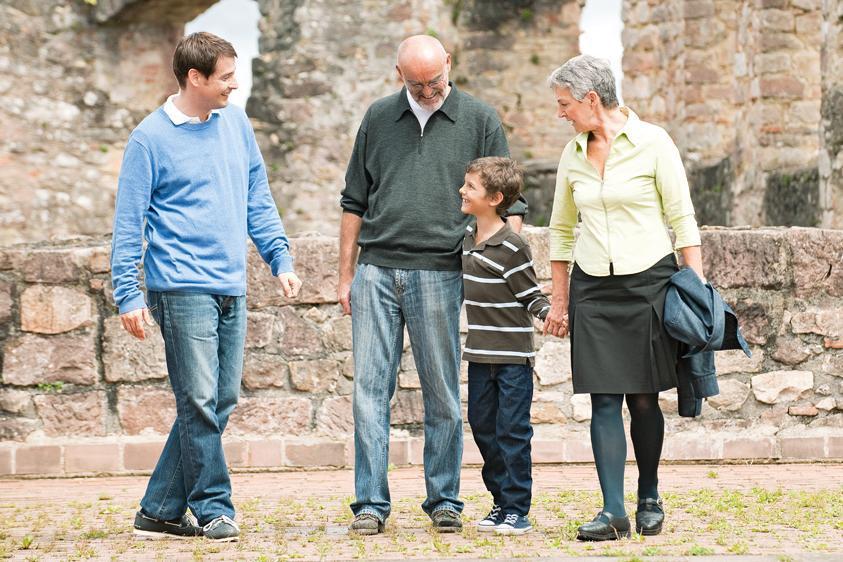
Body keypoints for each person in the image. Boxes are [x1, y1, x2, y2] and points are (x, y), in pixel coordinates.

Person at [111, 32, 302, 543]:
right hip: (179, 287)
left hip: (230, 285)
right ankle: (215, 507)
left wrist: (278, 256)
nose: (235, 86)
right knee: (196, 400)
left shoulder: (235, 123)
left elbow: (256, 194)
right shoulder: (148, 139)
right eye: (226, 77)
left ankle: (158, 510)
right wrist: (128, 294)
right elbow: (130, 224)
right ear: (195, 77)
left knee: (218, 400)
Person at [338, 34, 526, 535]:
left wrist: (498, 267)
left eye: (435, 80)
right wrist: (345, 276)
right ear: (398, 74)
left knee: (441, 391)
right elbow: (354, 199)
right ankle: (370, 505)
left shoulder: (480, 118)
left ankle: (444, 498)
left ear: (449, 63)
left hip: (443, 272)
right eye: (415, 83)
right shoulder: (378, 117)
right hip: (376, 269)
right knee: (369, 394)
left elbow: (510, 205)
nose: (426, 91)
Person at [542, 55, 704, 541]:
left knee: (644, 398)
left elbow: (683, 219)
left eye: (565, 104)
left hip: (648, 283)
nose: (561, 113)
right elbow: (561, 231)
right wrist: (560, 300)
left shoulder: (654, 142)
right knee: (603, 398)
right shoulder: (572, 153)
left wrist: (695, 290)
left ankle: (648, 495)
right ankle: (613, 511)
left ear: (592, 100)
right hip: (593, 286)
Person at [459, 157, 550, 536]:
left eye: (471, 187)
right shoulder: (465, 238)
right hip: (479, 355)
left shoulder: (512, 246)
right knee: (483, 427)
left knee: (512, 430)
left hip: (512, 359)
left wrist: (552, 315)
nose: (462, 191)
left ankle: (517, 508)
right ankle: (499, 502)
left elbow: (531, 294)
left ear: (495, 198)